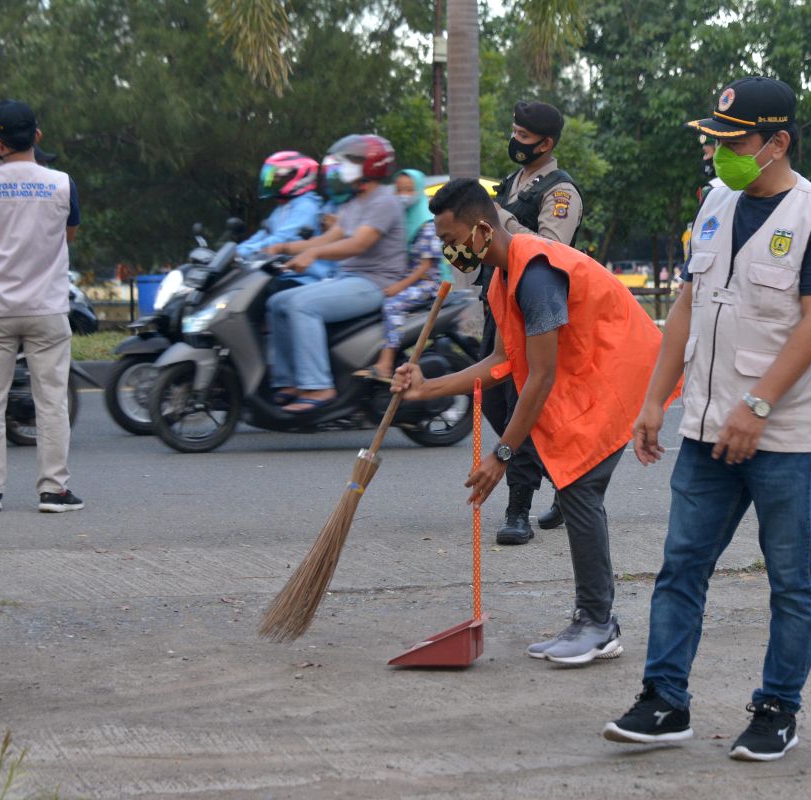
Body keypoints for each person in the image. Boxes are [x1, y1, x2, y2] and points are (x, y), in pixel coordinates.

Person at [603, 76, 811, 762]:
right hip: (706, 431)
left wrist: (759, 406)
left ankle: (777, 708)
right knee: (680, 567)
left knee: (791, 578)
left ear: (777, 143)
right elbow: (688, 303)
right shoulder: (716, 201)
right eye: (713, 140)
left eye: (732, 141)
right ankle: (665, 700)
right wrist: (655, 397)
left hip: (784, 438)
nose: (718, 153)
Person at [391, 177, 665, 664]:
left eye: (452, 241)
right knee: (579, 492)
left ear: (480, 230)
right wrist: (425, 389)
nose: (449, 251)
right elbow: (501, 362)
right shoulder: (501, 278)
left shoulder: (535, 271)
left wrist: (501, 457)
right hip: (584, 377)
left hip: (618, 374)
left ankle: (598, 624)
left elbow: (537, 377)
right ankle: (596, 620)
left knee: (579, 491)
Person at [0, 100, 83, 512]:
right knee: (51, 400)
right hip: (46, 308)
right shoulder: (62, 183)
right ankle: (53, 490)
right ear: (37, 136)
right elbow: (68, 235)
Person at [483, 101, 583, 544]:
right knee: (492, 399)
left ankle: (518, 508)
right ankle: (566, 478)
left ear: (547, 144)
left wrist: (498, 220)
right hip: (498, 306)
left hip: (534, 311)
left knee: (519, 400)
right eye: (514, 132)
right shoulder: (511, 183)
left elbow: (551, 249)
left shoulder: (561, 192)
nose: (515, 142)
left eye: (524, 137)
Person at [263, 134, 408, 413]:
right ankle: (289, 382)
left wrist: (313, 254)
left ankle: (319, 386)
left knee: (300, 305)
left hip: (374, 283)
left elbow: (358, 243)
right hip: (347, 280)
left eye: (350, 161)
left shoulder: (384, 201)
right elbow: (328, 238)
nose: (342, 167)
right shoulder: (353, 203)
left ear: (371, 164)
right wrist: (282, 247)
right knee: (276, 302)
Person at [359, 170, 444, 381]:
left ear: (418, 189)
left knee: (392, 304)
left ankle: (385, 364)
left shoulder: (426, 222)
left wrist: (399, 286)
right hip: (406, 280)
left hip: (427, 284)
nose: (403, 194)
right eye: (398, 189)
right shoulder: (401, 219)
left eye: (408, 189)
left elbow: (425, 265)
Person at [236, 151, 330, 284]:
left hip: (304, 278)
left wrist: (243, 253)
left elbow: (284, 238)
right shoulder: (282, 208)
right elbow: (263, 234)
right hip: (281, 275)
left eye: (276, 176)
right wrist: (234, 252)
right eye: (269, 176)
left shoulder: (306, 206)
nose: (271, 181)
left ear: (299, 177)